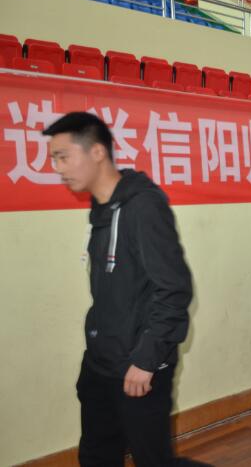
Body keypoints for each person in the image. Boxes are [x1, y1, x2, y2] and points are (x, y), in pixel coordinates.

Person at [43, 113, 207, 467]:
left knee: (153, 460)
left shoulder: (143, 206)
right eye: (54, 158)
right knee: (96, 456)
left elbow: (174, 289)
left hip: (138, 367)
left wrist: (146, 360)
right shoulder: (102, 208)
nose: (57, 168)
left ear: (97, 152)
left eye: (63, 156)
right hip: (101, 363)